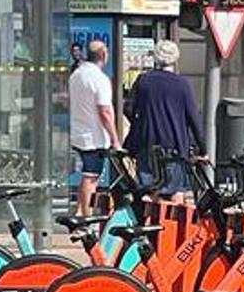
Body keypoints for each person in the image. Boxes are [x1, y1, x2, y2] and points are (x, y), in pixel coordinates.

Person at [124, 39, 204, 202]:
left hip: (147, 143)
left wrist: (141, 123)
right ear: (175, 59)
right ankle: (173, 226)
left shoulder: (143, 80)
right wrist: (203, 148)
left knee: (147, 189)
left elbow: (128, 109)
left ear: (156, 58)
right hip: (174, 145)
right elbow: (193, 118)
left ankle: (147, 222)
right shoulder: (182, 84)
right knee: (176, 191)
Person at [69, 40, 119, 216]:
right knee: (91, 178)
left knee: (88, 176)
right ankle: (86, 216)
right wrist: (115, 139)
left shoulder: (76, 75)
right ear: (103, 56)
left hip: (78, 132)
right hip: (94, 137)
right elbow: (104, 111)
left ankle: (81, 212)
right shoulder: (100, 79)